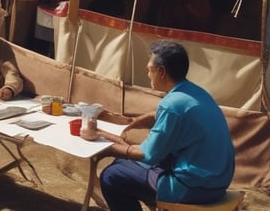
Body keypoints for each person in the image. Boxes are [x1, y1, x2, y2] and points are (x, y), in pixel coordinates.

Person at [97, 40, 234, 210]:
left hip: (195, 188)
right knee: (123, 163)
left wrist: (105, 145)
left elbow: (146, 154)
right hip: (217, 182)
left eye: (150, 70)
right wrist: (133, 122)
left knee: (111, 176)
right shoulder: (195, 92)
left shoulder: (172, 105)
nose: (148, 74)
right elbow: (161, 116)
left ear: (161, 72)